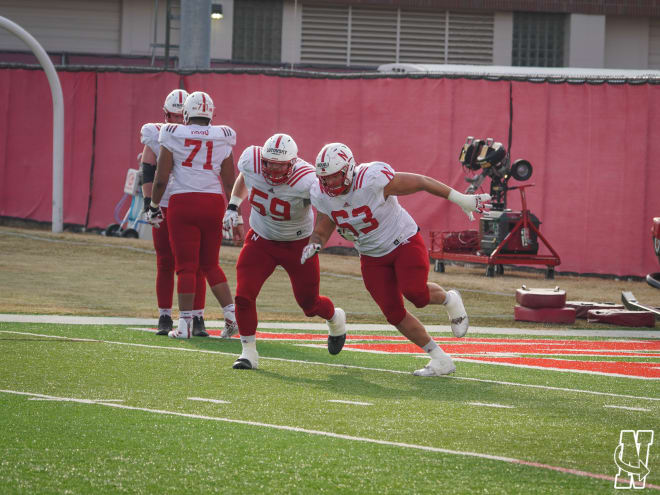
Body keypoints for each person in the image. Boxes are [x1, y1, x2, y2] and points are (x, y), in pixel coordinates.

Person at [301, 143, 491, 377]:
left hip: (403, 241)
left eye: (334, 177)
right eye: (324, 178)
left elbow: (421, 181)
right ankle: (440, 359)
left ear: (349, 169)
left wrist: (460, 198)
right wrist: (315, 244)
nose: (328, 183)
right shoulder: (321, 194)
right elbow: (323, 227)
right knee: (393, 313)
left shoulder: (371, 179)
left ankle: (450, 299)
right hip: (371, 255)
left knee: (416, 294)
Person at [222, 134, 346, 370]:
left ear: (293, 163)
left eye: (280, 165)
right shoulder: (252, 161)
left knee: (309, 305)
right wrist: (233, 205)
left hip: (297, 245)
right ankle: (248, 353)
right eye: (269, 163)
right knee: (243, 295)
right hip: (261, 239)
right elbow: (245, 177)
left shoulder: (307, 179)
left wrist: (316, 240)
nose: (273, 169)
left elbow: (326, 211)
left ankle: (335, 318)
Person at [145, 91, 239, 339]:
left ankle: (185, 325)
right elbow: (230, 182)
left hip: (183, 202)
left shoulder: (173, 133)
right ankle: (231, 316)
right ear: (211, 114)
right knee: (210, 264)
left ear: (186, 113)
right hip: (212, 202)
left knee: (185, 267)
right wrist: (235, 211)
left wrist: (153, 205)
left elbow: (161, 178)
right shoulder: (223, 135)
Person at [139, 89, 209, 336]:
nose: (178, 122)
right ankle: (165, 315)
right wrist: (149, 203)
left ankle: (197, 317)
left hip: (189, 203)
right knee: (165, 261)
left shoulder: (207, 134)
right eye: (173, 116)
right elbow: (147, 170)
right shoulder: (156, 133)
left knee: (196, 264)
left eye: (182, 117)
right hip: (165, 203)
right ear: (165, 115)